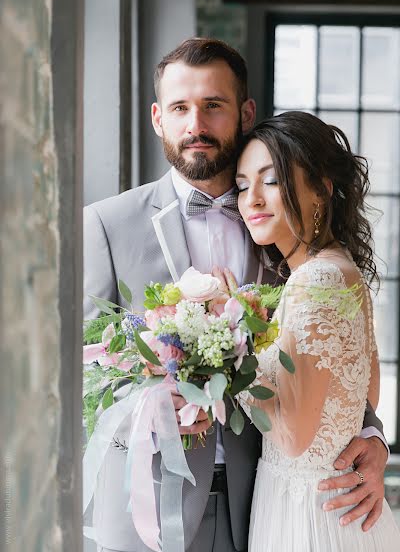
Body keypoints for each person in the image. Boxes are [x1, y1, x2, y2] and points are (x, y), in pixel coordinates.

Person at [84, 38, 389, 552]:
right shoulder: (107, 224)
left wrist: (372, 437)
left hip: (262, 503)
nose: (195, 125)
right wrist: (160, 404)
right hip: (152, 506)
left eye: (213, 106)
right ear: (158, 117)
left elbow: (326, 356)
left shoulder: (280, 226)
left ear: (244, 112)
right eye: (180, 108)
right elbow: (85, 371)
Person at [234, 110, 400, 551]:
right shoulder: (341, 270)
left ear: (322, 190)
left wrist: (233, 354)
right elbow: (368, 393)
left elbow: (292, 438)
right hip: (332, 500)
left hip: (308, 511)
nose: (251, 198)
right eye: (241, 184)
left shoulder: (315, 279)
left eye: (270, 181)